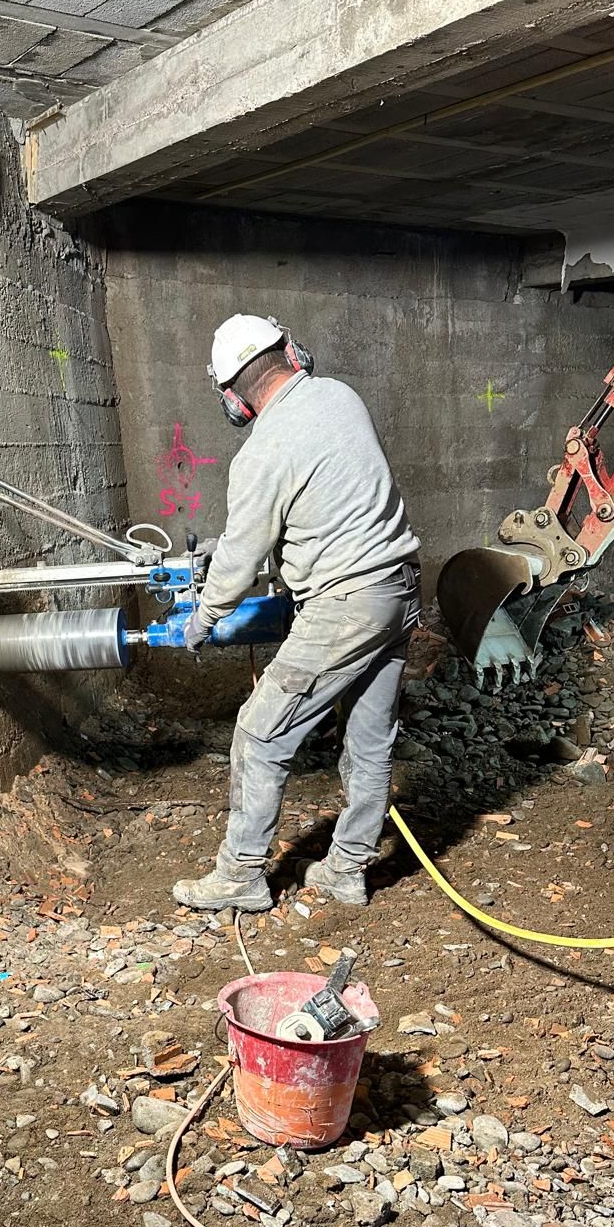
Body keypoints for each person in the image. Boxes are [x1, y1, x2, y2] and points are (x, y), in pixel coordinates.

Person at [173, 313, 421, 912]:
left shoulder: (261, 452)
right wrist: (236, 547)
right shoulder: (339, 396)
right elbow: (324, 497)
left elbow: (241, 560)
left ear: (232, 397)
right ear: (292, 352)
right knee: (369, 740)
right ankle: (346, 869)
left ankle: (240, 875)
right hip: (399, 591)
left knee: (259, 734)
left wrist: (202, 619)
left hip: (346, 605)